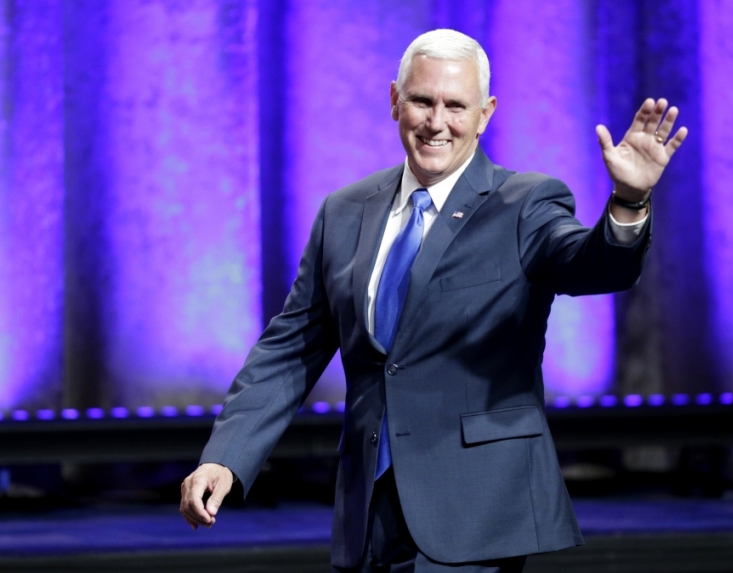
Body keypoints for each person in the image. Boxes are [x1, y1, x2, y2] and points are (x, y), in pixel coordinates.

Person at [180, 29, 687, 572]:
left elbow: (593, 265)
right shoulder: (344, 211)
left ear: (486, 113)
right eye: (422, 101)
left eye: (456, 106)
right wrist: (226, 457)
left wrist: (629, 201)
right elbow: (290, 349)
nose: (436, 122)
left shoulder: (525, 203)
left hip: (476, 511)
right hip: (367, 510)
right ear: (395, 99)